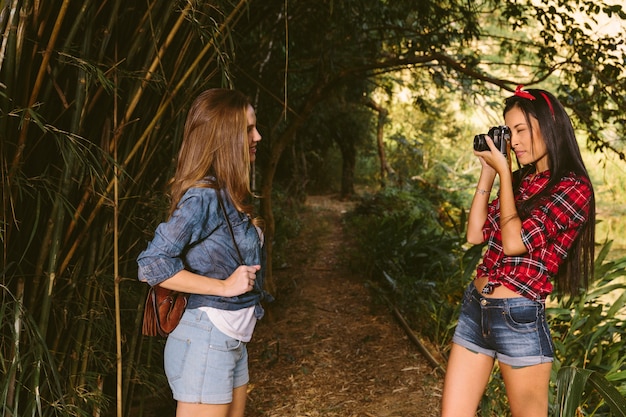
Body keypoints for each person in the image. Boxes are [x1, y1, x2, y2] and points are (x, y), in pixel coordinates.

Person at [441, 86, 595, 417]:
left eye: (521, 130)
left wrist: (505, 179)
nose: (514, 141)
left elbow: (514, 241)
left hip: (519, 317)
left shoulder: (573, 187)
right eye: (509, 132)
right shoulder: (523, 180)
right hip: (475, 308)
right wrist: (489, 170)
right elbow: (474, 234)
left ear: (549, 126)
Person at [137, 88, 271, 417]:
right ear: (225, 137)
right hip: (206, 338)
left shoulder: (229, 194)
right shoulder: (204, 197)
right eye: (248, 129)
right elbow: (152, 264)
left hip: (231, 340)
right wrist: (223, 286)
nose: (258, 135)